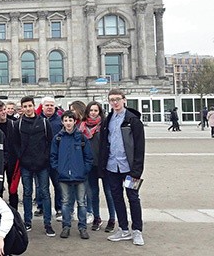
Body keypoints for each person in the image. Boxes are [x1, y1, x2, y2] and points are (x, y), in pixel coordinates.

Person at [99, 89, 146, 246]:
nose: (115, 102)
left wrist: (137, 170)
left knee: (133, 197)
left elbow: (140, 147)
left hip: (130, 168)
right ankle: (124, 229)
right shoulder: (108, 120)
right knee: (116, 198)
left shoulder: (133, 120)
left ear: (124, 100)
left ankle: (137, 230)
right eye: (111, 100)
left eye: (117, 99)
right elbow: (103, 144)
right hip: (112, 167)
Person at [15, 96, 55, 237]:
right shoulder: (18, 124)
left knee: (45, 193)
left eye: (29, 106)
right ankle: (27, 221)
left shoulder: (44, 122)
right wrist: (21, 156)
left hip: (42, 164)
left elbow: (50, 142)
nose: (27, 109)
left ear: (34, 106)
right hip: (26, 164)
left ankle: (48, 223)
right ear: (22, 108)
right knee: (27, 193)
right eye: (24, 106)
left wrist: (45, 157)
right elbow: (15, 143)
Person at [50, 111, 93, 240]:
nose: (68, 123)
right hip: (63, 175)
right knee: (65, 202)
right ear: (62, 122)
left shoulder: (82, 137)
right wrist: (58, 169)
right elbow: (53, 156)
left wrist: (84, 170)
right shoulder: (58, 138)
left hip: (80, 176)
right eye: (66, 120)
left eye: (70, 120)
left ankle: (82, 227)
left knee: (82, 203)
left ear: (75, 122)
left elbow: (88, 157)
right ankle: (66, 226)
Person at [79, 101, 116, 233]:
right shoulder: (82, 127)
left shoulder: (105, 125)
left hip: (105, 164)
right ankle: (97, 218)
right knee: (93, 193)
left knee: (109, 193)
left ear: (100, 112)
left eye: (96, 110)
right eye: (91, 110)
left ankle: (112, 219)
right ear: (87, 112)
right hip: (90, 165)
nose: (93, 113)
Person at [0, 100, 19, 207]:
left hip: (12, 159)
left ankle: (14, 211)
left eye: (4, 110)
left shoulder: (13, 124)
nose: (3, 112)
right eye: (0, 110)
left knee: (13, 188)